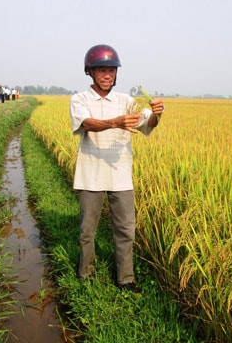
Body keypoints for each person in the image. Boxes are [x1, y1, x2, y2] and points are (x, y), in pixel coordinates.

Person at [69, 44, 165, 293]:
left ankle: (126, 279)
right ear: (89, 71)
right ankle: (86, 273)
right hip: (91, 175)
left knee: (125, 230)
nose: (107, 74)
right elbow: (87, 124)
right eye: (101, 69)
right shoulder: (80, 99)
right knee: (87, 230)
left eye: (111, 69)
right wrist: (115, 122)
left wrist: (157, 114)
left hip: (121, 176)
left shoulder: (127, 101)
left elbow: (147, 124)